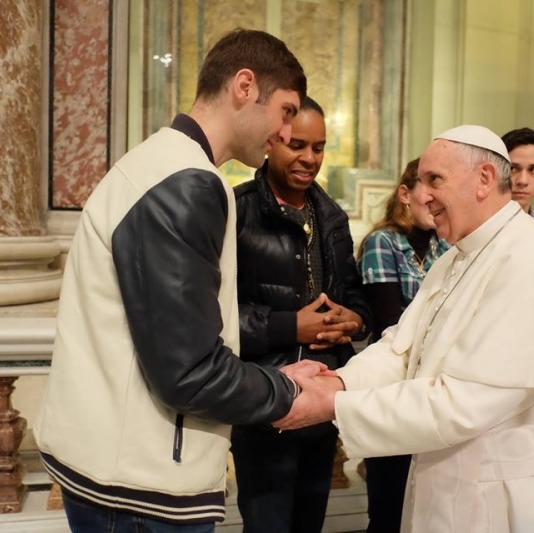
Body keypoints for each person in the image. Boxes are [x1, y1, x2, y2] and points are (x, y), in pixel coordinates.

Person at [34, 29, 325, 533]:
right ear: (245, 85)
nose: (283, 132)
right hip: (140, 487)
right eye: (284, 111)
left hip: (115, 468)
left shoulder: (154, 161)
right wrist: (283, 389)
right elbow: (189, 372)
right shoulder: (188, 182)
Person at [275, 125, 534, 532]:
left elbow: (464, 402)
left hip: (518, 500)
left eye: (435, 180)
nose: (422, 196)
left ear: (484, 179)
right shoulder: (460, 255)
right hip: (461, 485)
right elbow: (403, 348)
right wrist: (336, 382)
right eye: (420, 183)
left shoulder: (529, 262)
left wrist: (333, 406)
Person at [231, 96, 371, 533]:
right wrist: (292, 325)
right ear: (272, 142)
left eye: (319, 147)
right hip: (264, 400)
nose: (309, 158)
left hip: (323, 401)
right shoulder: (236, 210)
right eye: (298, 145)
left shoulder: (330, 216)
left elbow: (355, 299)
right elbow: (213, 318)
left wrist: (353, 320)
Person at [356, 158, 449, 533]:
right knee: (389, 506)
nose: (433, 196)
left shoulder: (447, 245)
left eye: (439, 185)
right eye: (424, 185)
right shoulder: (384, 242)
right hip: (395, 389)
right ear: (405, 194)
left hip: (434, 391)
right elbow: (390, 324)